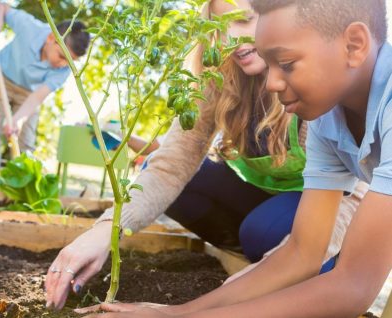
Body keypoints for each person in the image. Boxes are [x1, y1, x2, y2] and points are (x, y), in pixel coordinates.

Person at [72, 0, 392, 317]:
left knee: (266, 233)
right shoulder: (328, 118)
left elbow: (354, 284)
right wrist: (176, 312)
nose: (271, 83)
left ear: (354, 45)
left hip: (323, 221)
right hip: (286, 213)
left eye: (287, 63)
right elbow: (301, 253)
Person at [0, 2, 90, 186]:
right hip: (1, 76)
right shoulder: (31, 27)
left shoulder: (65, 70)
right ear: (50, 38)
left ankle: (19, 191)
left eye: (71, 61)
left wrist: (17, 119)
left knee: (25, 143)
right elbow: (0, 5)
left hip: (29, 93)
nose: (64, 64)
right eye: (62, 56)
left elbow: (38, 96)